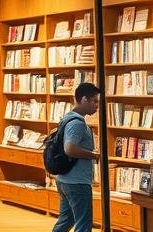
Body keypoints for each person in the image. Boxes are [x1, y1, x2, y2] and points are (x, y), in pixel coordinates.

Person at [52, 82, 101, 232]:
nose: (97, 106)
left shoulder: (67, 118)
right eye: (95, 101)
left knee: (66, 221)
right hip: (77, 182)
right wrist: (93, 155)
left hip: (65, 179)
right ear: (84, 99)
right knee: (83, 225)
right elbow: (69, 149)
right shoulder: (78, 123)